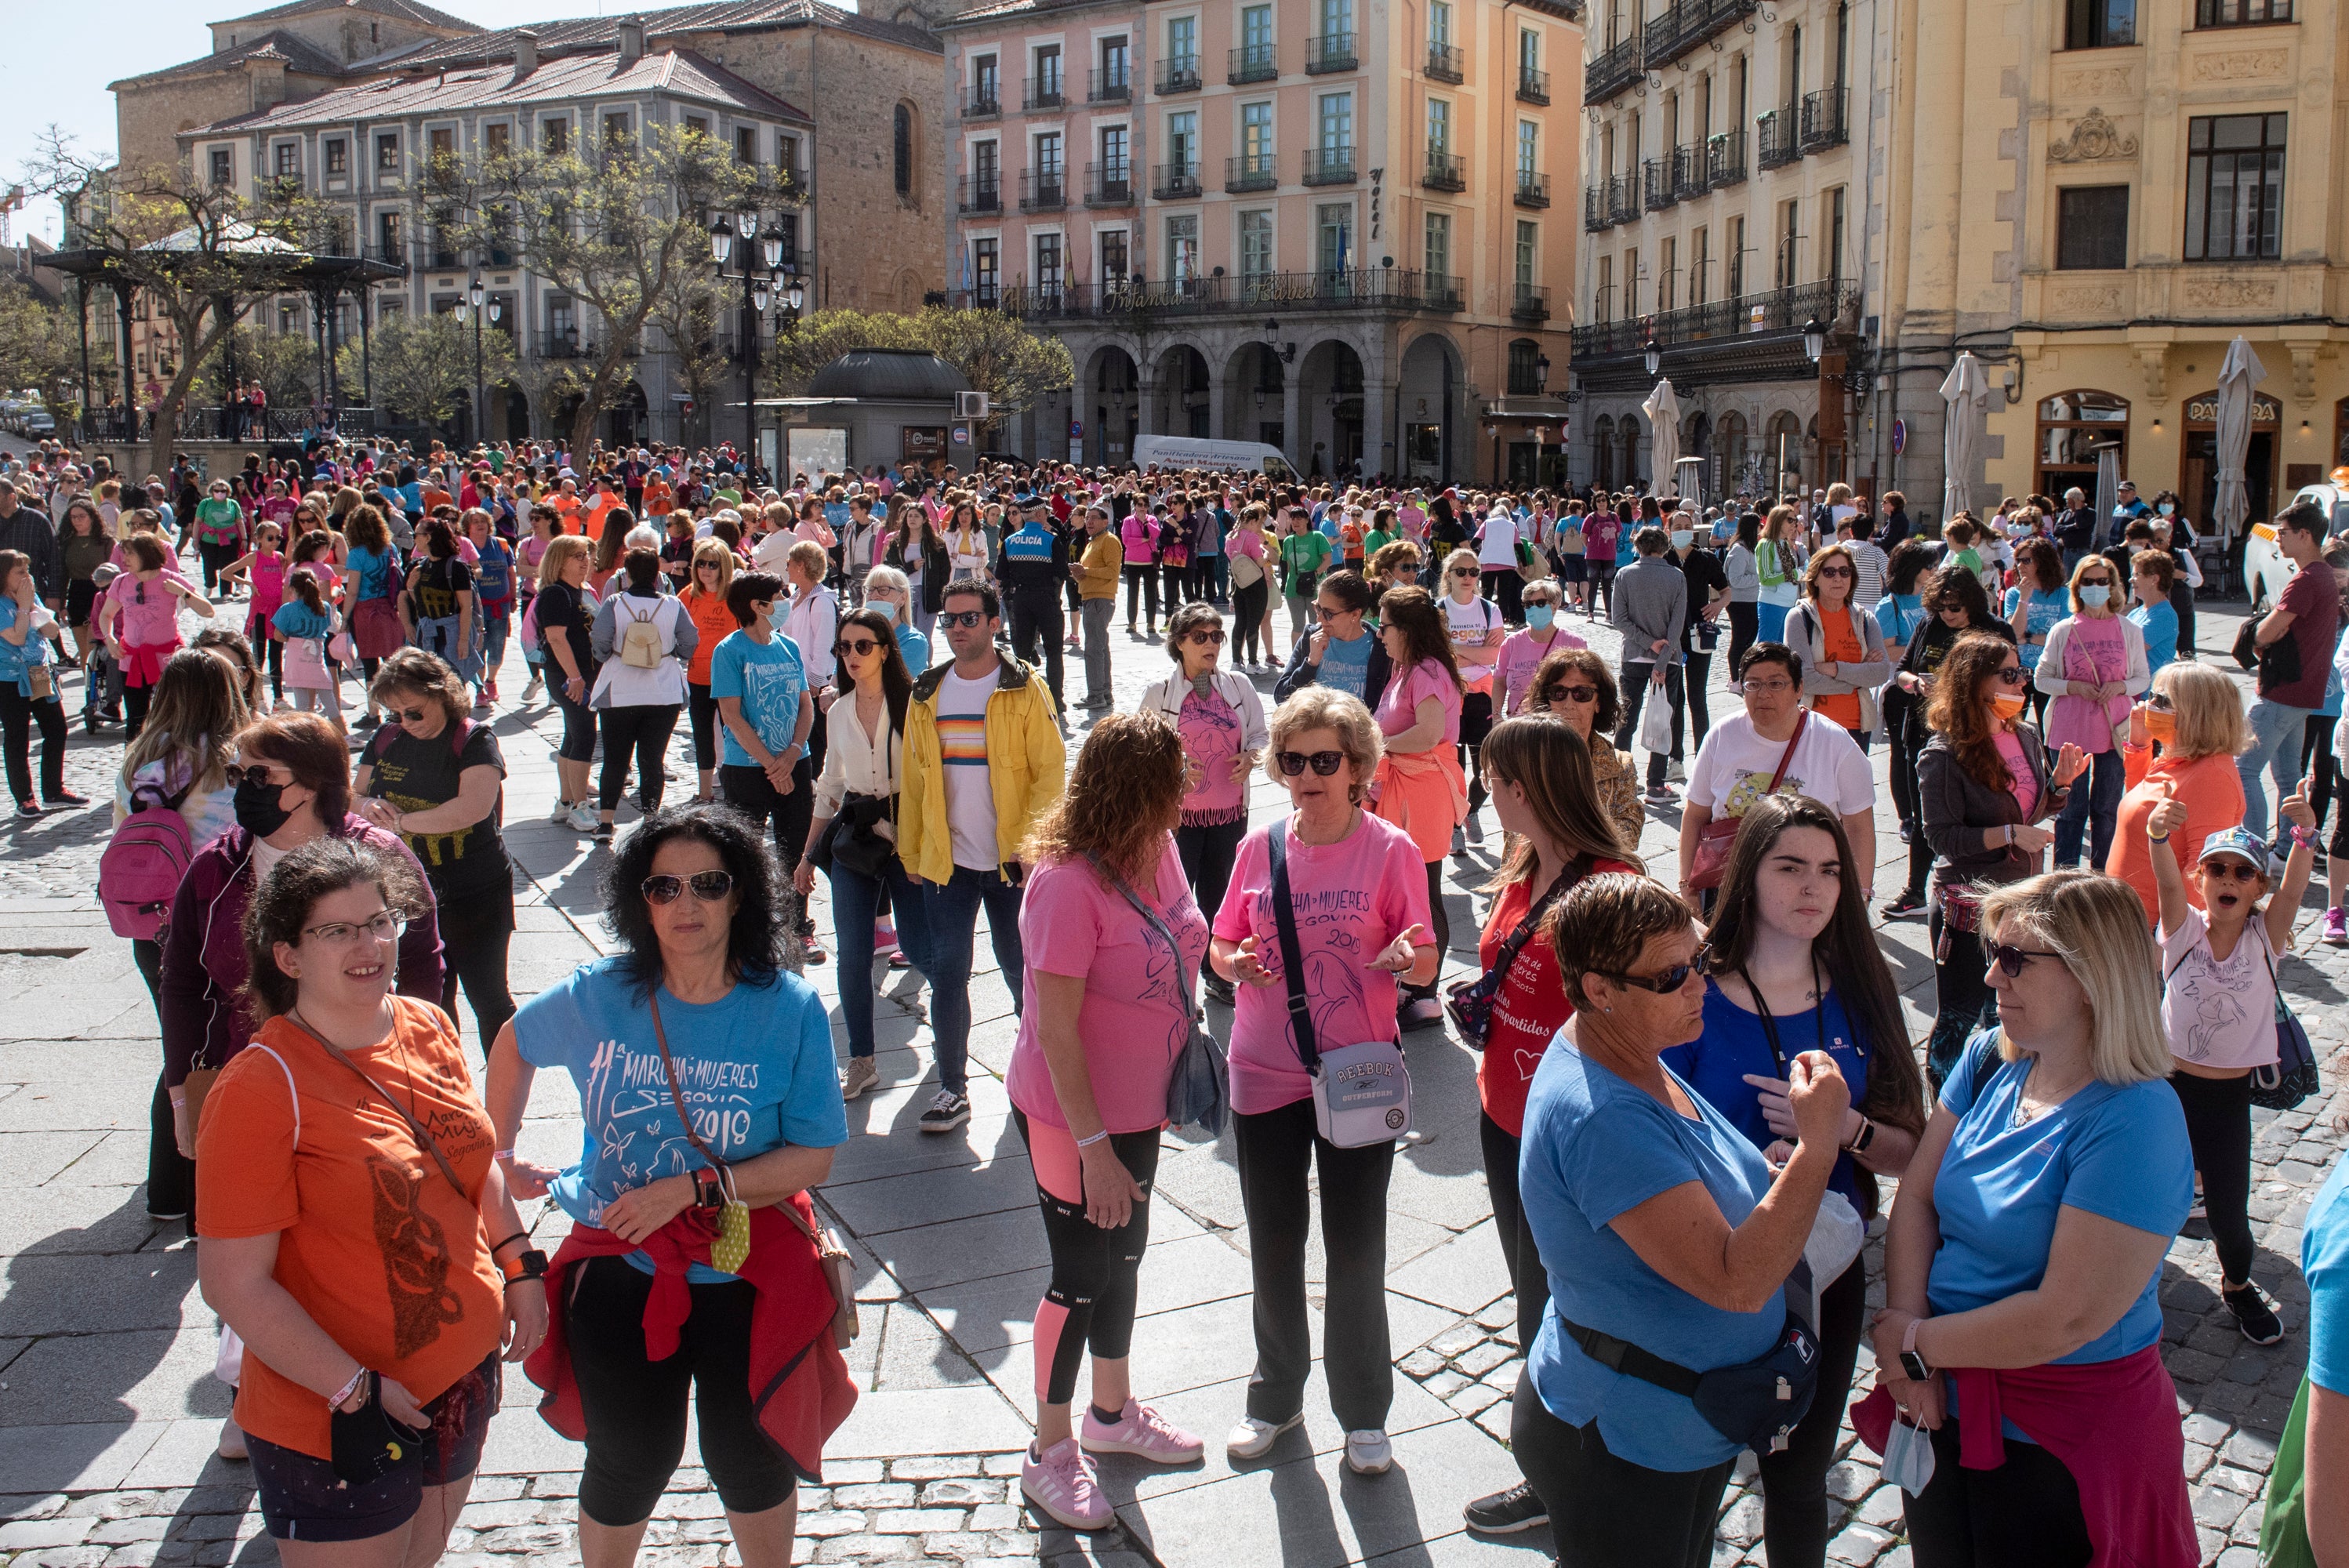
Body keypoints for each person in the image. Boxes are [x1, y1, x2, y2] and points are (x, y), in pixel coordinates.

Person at [487, 805, 852, 1568]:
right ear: (637, 898)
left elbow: (813, 1157)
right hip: (619, 1258)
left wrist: (695, 1188)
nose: (685, 904)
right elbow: (513, 1042)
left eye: (708, 884)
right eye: (663, 886)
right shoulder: (600, 994)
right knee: (630, 1456)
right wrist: (503, 1147)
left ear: (741, 895)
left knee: (746, 1455)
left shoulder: (788, 1008)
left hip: (745, 1262)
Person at [196, 837, 537, 1562]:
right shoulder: (261, 1085)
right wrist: (353, 1388)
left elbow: (473, 1163)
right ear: (287, 956)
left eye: (381, 921)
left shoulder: (428, 1023)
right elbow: (233, 1282)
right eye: (336, 930)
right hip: (338, 1407)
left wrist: (521, 1267)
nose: (369, 944)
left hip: (460, 1372)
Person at [1509, 872, 1849, 1568]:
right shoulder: (1604, 1116)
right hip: (1625, 1446)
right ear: (1599, 989)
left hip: (1678, 1427)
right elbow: (1738, 1284)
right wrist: (1819, 1148)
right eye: (1671, 976)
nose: (1698, 984)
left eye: (1699, 958)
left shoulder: (1633, 1050)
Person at [1861, 873, 2197, 1568]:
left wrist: (1916, 1343)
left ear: (2088, 975)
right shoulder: (1990, 1060)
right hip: (1943, 1398)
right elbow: (1918, 1197)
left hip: (2059, 1439)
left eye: (2014, 958)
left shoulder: (2137, 1116)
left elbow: (2065, 1319)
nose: (1989, 976)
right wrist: (1911, 1347)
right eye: (1992, 951)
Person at [1665, 797, 1927, 1566]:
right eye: (1789, 867)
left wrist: (1839, 1133)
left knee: (1798, 1473)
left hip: (1824, 1271)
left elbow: (1906, 1147)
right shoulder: (1689, 989)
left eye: (1828, 870)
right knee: (1695, 1466)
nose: (1811, 886)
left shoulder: (1860, 987)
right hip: (1707, 1267)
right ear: (1747, 873)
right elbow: (1644, 1136)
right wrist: (1749, 1172)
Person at [1209, 686, 1436, 1473]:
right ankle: (1274, 1395)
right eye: (1293, 759)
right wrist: (1231, 961)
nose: (1306, 773)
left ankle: (1363, 1410)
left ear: (1357, 767)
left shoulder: (1390, 850)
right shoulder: (1257, 846)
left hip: (1359, 1072)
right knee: (1272, 1243)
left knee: (1355, 1246)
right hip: (1263, 1068)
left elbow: (1425, 948)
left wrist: (1409, 958)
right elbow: (1218, 942)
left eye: (1323, 759)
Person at [1001, 712, 1210, 1527]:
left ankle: (1112, 1415)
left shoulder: (1153, 849)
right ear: (1139, 792)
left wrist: (1229, 958)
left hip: (1137, 1101)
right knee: (1080, 1272)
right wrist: (1092, 1150)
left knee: (1125, 1254)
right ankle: (1048, 1452)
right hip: (1070, 1113)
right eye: (1173, 786)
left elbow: (1185, 932)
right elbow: (1053, 1030)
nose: (1184, 799)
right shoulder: (1062, 882)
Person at [162, 710, 445, 1272]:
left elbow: (424, 966)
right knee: (254, 1264)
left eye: (262, 777)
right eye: (238, 777)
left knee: (360, 1252)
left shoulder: (380, 857)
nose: (245, 792)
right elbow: (183, 984)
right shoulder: (214, 870)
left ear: (314, 783)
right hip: (248, 1082)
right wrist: (179, 1095)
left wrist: (430, 1070)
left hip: (363, 1087)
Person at [1456, 717, 1640, 1538]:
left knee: (1563, 1301)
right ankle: (1557, 1460)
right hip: (1504, 1116)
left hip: (1568, 1135)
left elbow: (1639, 1018)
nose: (1485, 790)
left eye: (1492, 778)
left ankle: (1565, 1476)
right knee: (1533, 1296)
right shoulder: (1523, 865)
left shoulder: (1610, 884)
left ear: (1522, 788)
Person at [899, 579, 1066, 1131]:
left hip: (1011, 863)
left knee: (1022, 972)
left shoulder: (1024, 686)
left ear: (995, 623)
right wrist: (913, 850)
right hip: (948, 863)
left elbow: (1049, 772)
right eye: (948, 620)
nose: (956, 629)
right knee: (949, 974)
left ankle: (1039, 1081)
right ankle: (953, 1089)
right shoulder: (927, 691)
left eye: (969, 618)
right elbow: (916, 781)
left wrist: (1033, 847)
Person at [2148, 799, 2305, 1346]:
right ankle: (2131, 1279)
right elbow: (2166, 885)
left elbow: (2292, 892)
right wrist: (2159, 837)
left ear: (2257, 887)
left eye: (2243, 871)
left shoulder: (2266, 937)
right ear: (2202, 879)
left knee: (2230, 1218)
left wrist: (2304, 837)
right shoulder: (2184, 928)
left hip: (2228, 1100)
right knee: (2148, 1195)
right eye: (2218, 868)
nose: (2229, 878)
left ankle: (2237, 1286)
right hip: (2167, 1092)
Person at [1917, 633, 2085, 1085]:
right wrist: (2010, 834)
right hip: (1970, 905)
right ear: (1974, 683)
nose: (2021, 685)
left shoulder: (2026, 734)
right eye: (2008, 675)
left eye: (2022, 673)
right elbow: (1941, 836)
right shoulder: (1944, 753)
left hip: (2023, 900)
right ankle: (1943, 1115)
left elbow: (2033, 808)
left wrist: (2061, 788)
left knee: (2011, 1015)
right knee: (1959, 1016)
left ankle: (2000, 1098)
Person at [793, 606, 931, 1099]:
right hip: (857, 839)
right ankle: (862, 1060)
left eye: (862, 646)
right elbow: (830, 786)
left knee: (917, 947)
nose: (851, 655)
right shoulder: (839, 711)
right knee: (851, 954)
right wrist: (809, 855)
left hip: (907, 841)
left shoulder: (915, 703)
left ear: (885, 650)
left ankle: (949, 1023)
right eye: (843, 647)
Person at [354, 648, 515, 1051]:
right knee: (428, 1002)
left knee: (490, 999)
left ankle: (505, 1098)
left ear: (441, 694)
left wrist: (400, 823)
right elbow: (350, 794)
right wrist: (367, 806)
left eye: (414, 712)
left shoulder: (474, 738)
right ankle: (446, 1091)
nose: (406, 723)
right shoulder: (388, 737)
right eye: (396, 714)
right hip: (406, 895)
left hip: (473, 889)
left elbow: (472, 809)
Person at [1677, 644, 1875, 906]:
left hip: (1805, 890)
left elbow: (1859, 828)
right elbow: (1695, 814)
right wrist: (1688, 889)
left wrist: (1859, 898)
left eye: (1776, 684)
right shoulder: (1723, 734)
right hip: (1728, 885)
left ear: (1799, 689)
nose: (1764, 694)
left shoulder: (1836, 744)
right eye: (1753, 684)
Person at [1138, 601, 1267, 1006]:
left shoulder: (1239, 686)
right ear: (1180, 643)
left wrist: (1251, 757)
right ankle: (1173, 976)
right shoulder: (1159, 692)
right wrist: (1173, 769)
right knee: (1175, 902)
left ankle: (1216, 973)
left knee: (1219, 897)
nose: (1211, 643)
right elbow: (1140, 751)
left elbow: (1262, 736)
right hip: (1178, 818)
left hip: (1229, 813)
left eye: (1217, 636)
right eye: (1201, 637)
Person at [1882, 568, 2017, 920]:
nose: (1947, 614)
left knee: (1972, 818)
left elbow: (2013, 682)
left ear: (1971, 601)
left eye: (1954, 607)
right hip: (1927, 735)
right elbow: (1901, 671)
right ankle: (1914, 889)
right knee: (1926, 817)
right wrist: (1916, 684)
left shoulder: (1995, 631)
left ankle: (1979, 890)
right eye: (1941, 607)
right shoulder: (1930, 625)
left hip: (1977, 738)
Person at [1370, 586, 1469, 1025]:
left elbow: (1428, 734)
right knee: (1414, 890)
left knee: (1426, 893)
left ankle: (1425, 993)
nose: (1380, 634)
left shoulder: (1425, 671)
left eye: (1385, 625)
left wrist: (1378, 747)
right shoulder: (1408, 668)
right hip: (1408, 788)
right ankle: (1416, 985)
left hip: (1421, 792)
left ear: (1406, 629)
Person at [2106, 662, 2248, 927]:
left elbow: (2203, 873)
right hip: (2127, 918)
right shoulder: (2178, 758)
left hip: (2152, 930)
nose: (2149, 705)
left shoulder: (2212, 777)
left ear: (2197, 713)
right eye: (2152, 696)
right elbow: (2143, 803)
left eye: (2162, 700)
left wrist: (2171, 940)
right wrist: (2139, 744)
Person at [2036, 554, 2149, 872]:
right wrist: (2074, 687)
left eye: (2103, 581)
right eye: (2089, 582)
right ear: (2077, 587)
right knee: (2071, 810)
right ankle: (2065, 877)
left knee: (2108, 808)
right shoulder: (2063, 630)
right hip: (2071, 728)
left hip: (2116, 728)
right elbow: (2041, 679)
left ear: (2113, 586)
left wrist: (2122, 687)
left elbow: (2143, 676)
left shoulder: (2129, 629)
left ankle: (2104, 874)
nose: (2096, 587)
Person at [2242, 498, 2340, 839]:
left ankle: (2252, 847)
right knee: (2288, 778)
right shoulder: (2323, 574)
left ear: (2304, 535)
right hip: (2304, 690)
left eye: (2282, 533)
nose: (2277, 539)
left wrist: (2258, 633)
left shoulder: (2307, 579)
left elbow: (2268, 631)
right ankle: (2286, 847)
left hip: (2283, 689)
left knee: (2244, 769)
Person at [588, 547, 695, 844]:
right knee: (653, 759)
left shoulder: (614, 603)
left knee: (615, 759)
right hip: (663, 691)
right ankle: (650, 819)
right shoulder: (673, 605)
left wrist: (608, 655)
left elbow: (600, 640)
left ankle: (606, 823)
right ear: (658, 576)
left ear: (628, 574)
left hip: (621, 691)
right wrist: (674, 654)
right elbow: (690, 640)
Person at [1522, 645, 1644, 848]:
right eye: (1558, 692)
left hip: (1599, 874)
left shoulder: (1620, 765)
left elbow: (1629, 834)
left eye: (1582, 694)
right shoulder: (1528, 761)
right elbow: (1516, 840)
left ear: (1598, 703)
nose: (1568, 704)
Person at [96, 533, 217, 739]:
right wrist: (109, 639)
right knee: (135, 719)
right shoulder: (121, 582)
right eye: (124, 553)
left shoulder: (170, 579)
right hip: (132, 659)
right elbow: (106, 614)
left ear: (146, 554)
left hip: (167, 660)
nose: (124, 559)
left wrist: (183, 593)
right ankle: (132, 767)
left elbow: (208, 611)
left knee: (172, 717)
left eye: (130, 554)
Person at [1785, 543, 1891, 749]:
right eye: (1829, 572)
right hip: (1813, 726)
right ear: (1815, 578)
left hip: (1857, 727)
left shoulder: (1865, 619)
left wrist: (1834, 668)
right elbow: (1806, 679)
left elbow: (1880, 673)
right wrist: (1860, 678)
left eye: (1845, 572)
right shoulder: (1799, 617)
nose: (1838, 579)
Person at [1610, 527, 1688, 804]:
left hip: (1633, 656)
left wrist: (1646, 642)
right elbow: (1677, 625)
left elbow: (1618, 618)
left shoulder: (1625, 574)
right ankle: (1655, 783)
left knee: (1626, 720)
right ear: (1665, 547)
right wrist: (1662, 656)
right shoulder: (1676, 577)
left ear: (1637, 546)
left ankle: (1620, 779)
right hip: (1667, 661)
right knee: (1662, 720)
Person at [534, 535, 600, 829]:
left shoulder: (577, 591)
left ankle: (565, 802)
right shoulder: (556, 594)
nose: (585, 560)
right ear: (559, 561)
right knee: (585, 735)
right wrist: (575, 677)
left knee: (573, 735)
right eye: (577, 556)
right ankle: (579, 805)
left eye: (585, 554)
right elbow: (556, 638)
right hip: (569, 677)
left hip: (580, 675)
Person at [0, 549, 73, 815]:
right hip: (9, 680)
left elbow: (51, 631)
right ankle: (25, 798)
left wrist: (33, 606)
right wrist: (22, 607)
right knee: (18, 737)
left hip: (39, 673)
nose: (26, 576)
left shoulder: (30, 598)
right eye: (20, 571)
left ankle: (54, 791)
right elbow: (17, 637)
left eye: (27, 570)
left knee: (56, 728)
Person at [1438, 548, 1507, 826]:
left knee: (1487, 767)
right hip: (1449, 695)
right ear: (1449, 575)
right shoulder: (1438, 610)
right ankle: (1455, 825)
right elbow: (1437, 654)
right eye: (1461, 572)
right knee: (1453, 766)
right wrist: (1474, 651)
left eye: (1474, 572)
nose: (1468, 577)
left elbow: (1494, 655)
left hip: (1482, 694)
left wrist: (1455, 648)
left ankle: (1471, 812)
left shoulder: (1490, 609)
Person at [1273, 568, 1391, 708]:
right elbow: (1281, 698)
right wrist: (1311, 663)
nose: (1319, 618)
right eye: (1318, 608)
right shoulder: (1310, 638)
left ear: (1355, 615)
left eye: (1328, 613)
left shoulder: (1381, 647)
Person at [997, 496, 1070, 711]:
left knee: (1022, 651)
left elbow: (1001, 574)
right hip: (1047, 599)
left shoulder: (1011, 541)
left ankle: (1024, 694)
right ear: (1039, 515)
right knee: (1054, 651)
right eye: (1045, 512)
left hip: (1021, 599)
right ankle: (1056, 699)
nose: (1048, 515)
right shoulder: (1050, 540)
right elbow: (1062, 572)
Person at [681, 541, 739, 803]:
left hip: (729, 678)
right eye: (700, 563)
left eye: (712, 564)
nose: (705, 569)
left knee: (734, 735)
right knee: (702, 736)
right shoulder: (688, 595)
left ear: (723, 567)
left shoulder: (735, 597)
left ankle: (735, 789)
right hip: (698, 678)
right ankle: (705, 793)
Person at [1494, 577, 1583, 723]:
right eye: (1528, 605)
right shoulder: (1511, 643)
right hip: (1520, 725)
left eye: (1540, 603)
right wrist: (1496, 716)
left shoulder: (1574, 643)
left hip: (1560, 726)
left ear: (1554, 606)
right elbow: (1499, 681)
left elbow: (1582, 686)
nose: (1533, 608)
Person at [403, 518, 476, 684]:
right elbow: (421, 603)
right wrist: (410, 588)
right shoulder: (421, 565)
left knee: (453, 684)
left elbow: (466, 607)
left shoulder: (456, 567)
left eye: (417, 535)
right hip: (428, 634)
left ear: (428, 537)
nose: (414, 539)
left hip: (451, 634)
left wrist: (464, 640)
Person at [1073, 505, 1122, 710]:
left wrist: (1085, 572)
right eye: (1087, 518)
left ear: (1105, 521)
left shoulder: (1109, 540)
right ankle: (1104, 692)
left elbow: (1112, 571)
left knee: (1093, 648)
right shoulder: (1093, 542)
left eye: (1094, 518)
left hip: (1100, 599)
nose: (1089, 522)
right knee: (1101, 646)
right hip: (1091, 597)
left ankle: (1096, 695)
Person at [863, 564, 929, 672]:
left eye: (883, 590)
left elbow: (899, 686)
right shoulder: (856, 636)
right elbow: (836, 680)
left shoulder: (913, 642)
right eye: (870, 590)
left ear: (903, 598)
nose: (874, 596)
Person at [2127, 546, 2179, 680]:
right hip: (2135, 689)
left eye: (2136, 574)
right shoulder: (2136, 612)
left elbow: (2128, 648)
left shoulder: (2164, 616)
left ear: (2154, 579)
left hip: (2150, 692)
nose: (2131, 580)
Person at [1755, 503, 1804, 644]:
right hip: (1772, 603)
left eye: (1795, 520)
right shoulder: (1766, 544)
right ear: (1778, 520)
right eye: (1789, 520)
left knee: (1781, 647)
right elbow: (1765, 578)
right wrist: (1793, 575)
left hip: (1789, 603)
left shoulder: (1785, 544)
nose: (1794, 524)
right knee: (1767, 646)